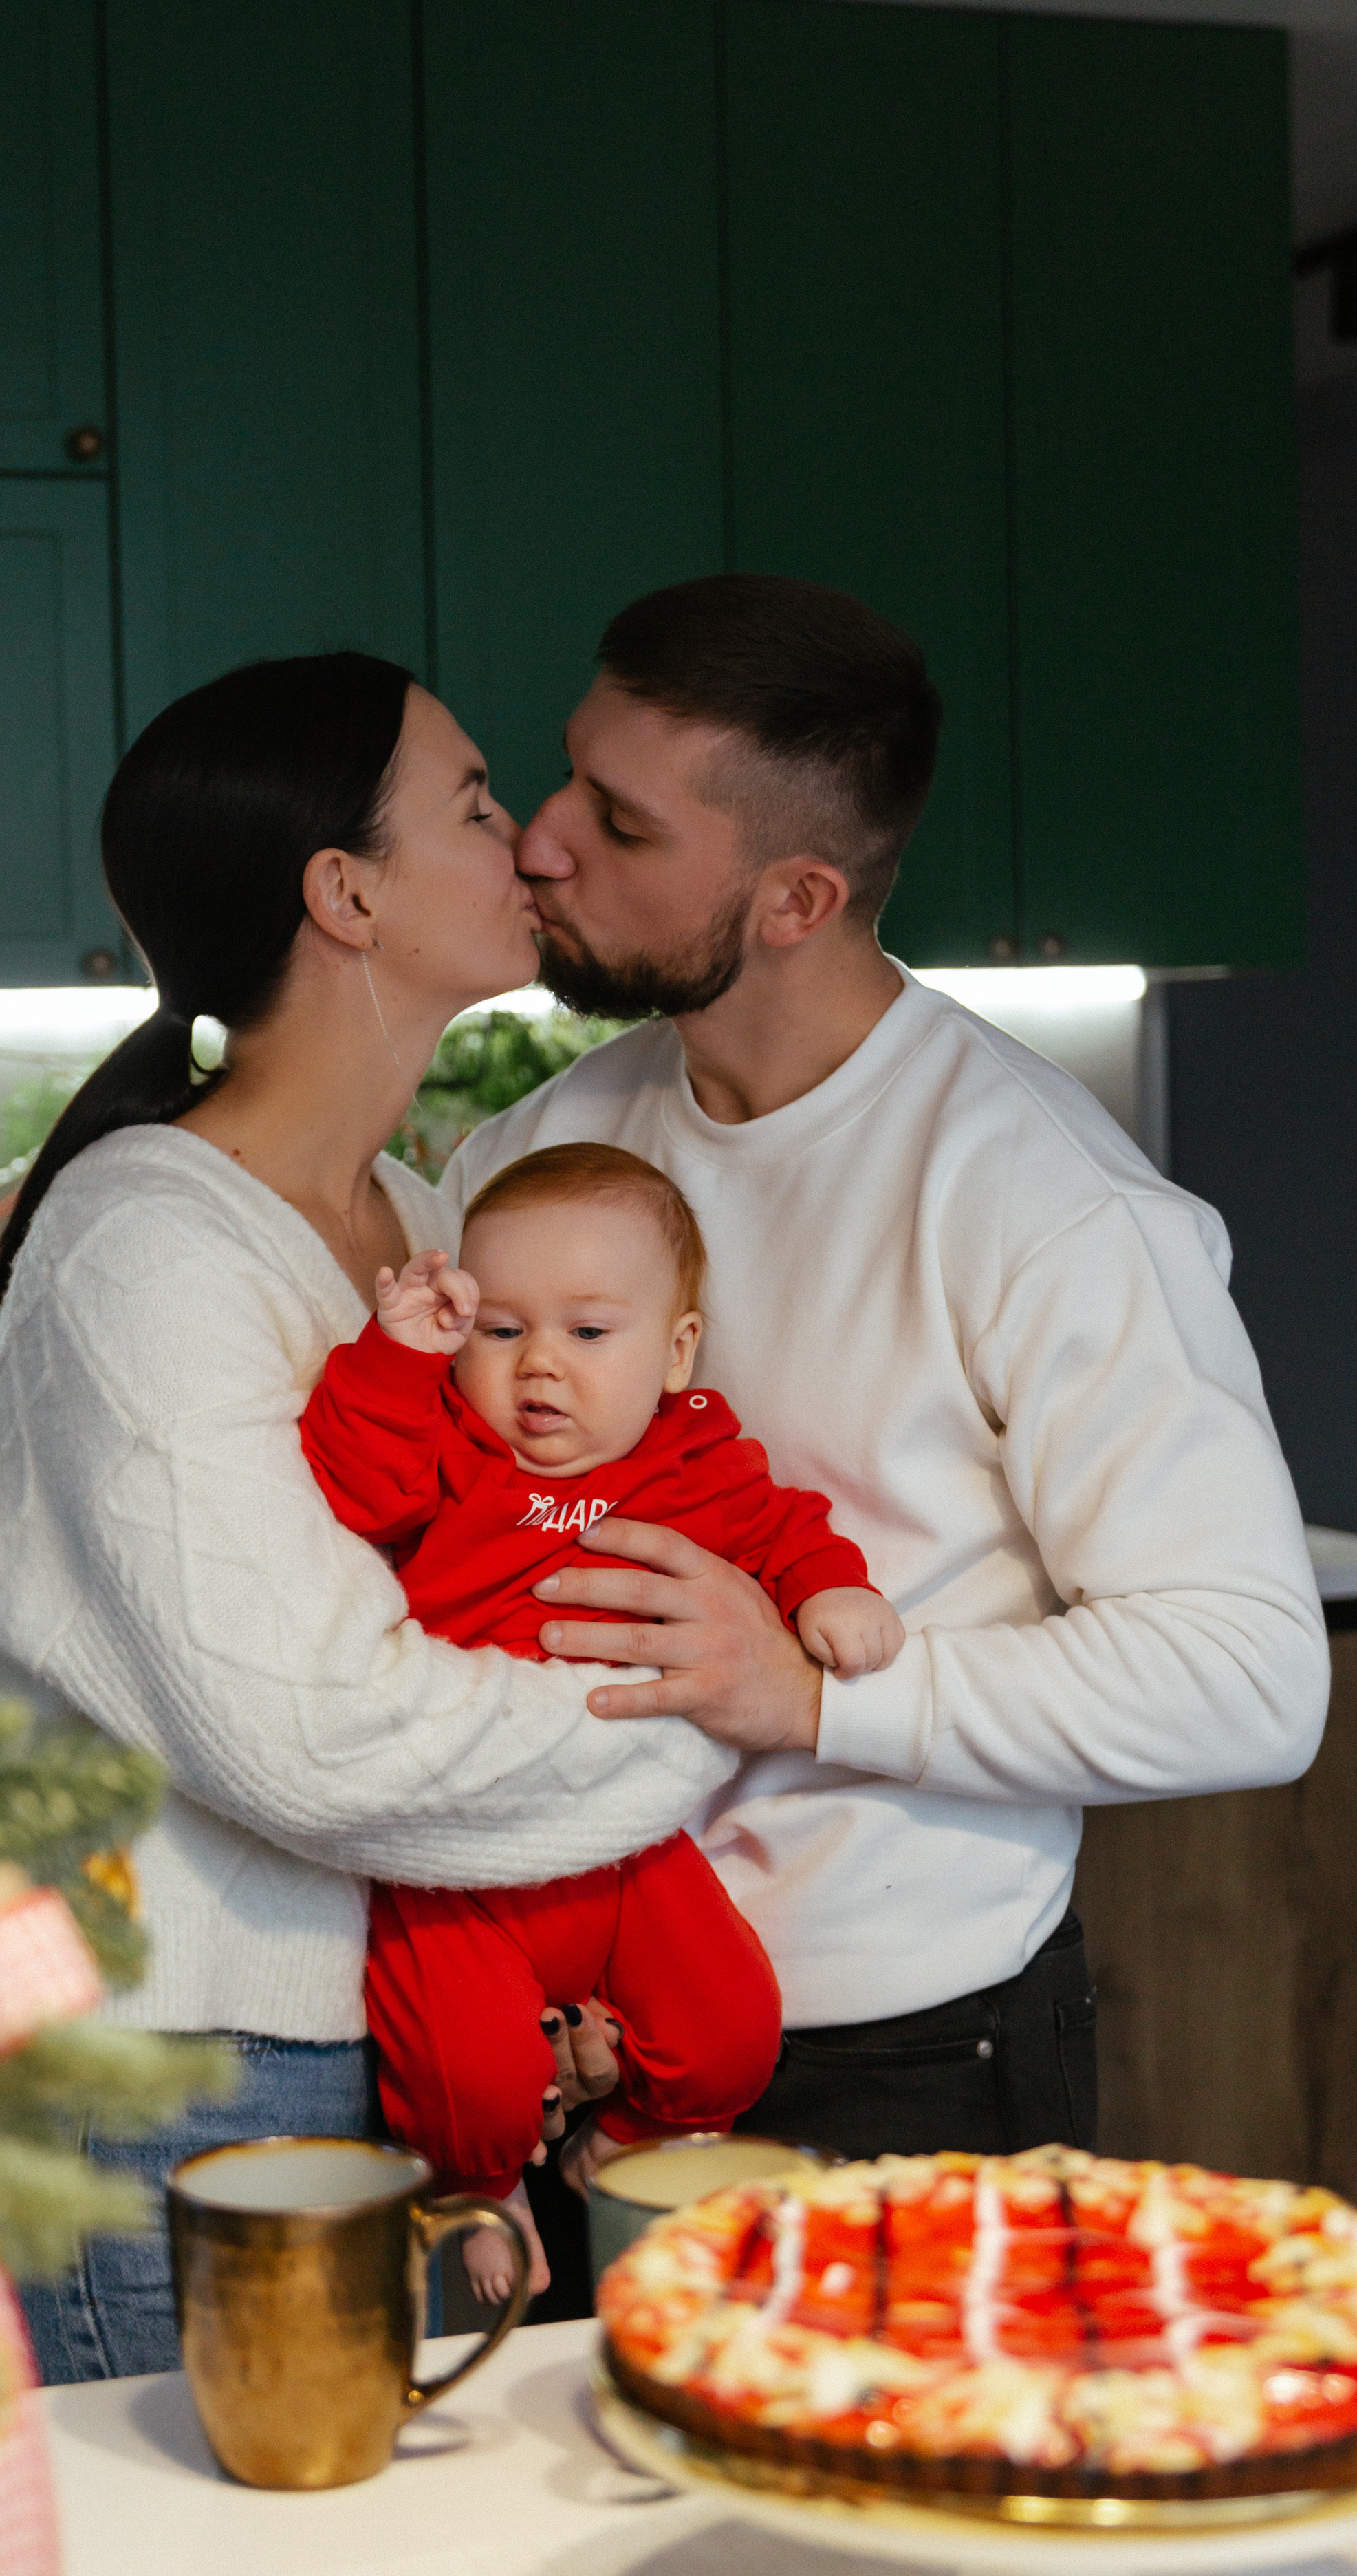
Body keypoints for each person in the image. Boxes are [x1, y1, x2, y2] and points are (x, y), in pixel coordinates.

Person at [444, 572, 1331, 2165]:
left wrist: (808, 1694)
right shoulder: (540, 1148)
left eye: (622, 825)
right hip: (566, 2039)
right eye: (566, 772)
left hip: (893, 2063)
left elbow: (1249, 1679)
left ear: (793, 900)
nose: (541, 839)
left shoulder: (1041, 1197)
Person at [0, 652, 752, 2383]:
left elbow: (486, 1605)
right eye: (474, 805)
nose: (532, 843)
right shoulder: (152, 1246)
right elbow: (313, 1732)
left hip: (375, 2053)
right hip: (181, 2082)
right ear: (345, 892)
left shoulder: (409, 1217)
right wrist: (702, 1719)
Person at [302, 1141, 897, 2301]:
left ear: (677, 1352)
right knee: (466, 2070)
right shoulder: (451, 1446)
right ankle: (482, 2188)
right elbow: (352, 1486)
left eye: (588, 1333)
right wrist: (393, 1361)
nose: (539, 1368)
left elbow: (781, 1528)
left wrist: (830, 1590)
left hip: (629, 1849)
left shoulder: (696, 1460)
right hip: (459, 1861)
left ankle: (626, 2145)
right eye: (500, 1329)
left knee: (731, 2024)